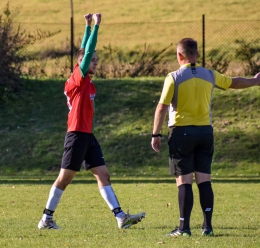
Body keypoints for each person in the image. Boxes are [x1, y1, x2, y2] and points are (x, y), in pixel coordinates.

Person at [38, 13, 145, 230]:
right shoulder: (79, 76)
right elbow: (85, 52)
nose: (95, 62)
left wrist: (86, 26)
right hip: (76, 134)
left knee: (103, 174)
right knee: (65, 178)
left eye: (97, 59)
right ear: (82, 63)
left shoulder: (86, 80)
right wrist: (97, 26)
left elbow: (83, 50)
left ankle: (121, 217)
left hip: (87, 135)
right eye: (92, 60)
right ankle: (46, 218)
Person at [151, 38, 260, 237]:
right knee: (204, 181)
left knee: (184, 181)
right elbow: (233, 82)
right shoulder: (209, 74)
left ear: (179, 55)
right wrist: (255, 81)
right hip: (205, 133)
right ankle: (207, 227)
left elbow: (162, 106)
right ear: (197, 55)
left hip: (181, 133)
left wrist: (155, 133)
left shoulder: (173, 77)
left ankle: (184, 228)